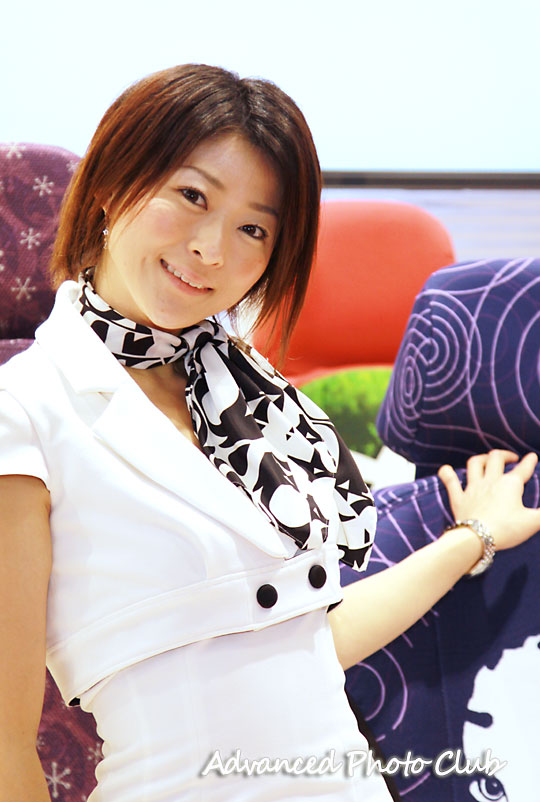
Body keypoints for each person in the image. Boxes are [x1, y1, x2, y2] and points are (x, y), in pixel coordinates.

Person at [0, 64, 539, 802]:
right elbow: (7, 746)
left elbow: (308, 650)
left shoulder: (247, 399)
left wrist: (472, 537)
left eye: (253, 228)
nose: (213, 250)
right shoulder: (25, 409)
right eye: (192, 196)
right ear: (110, 186)